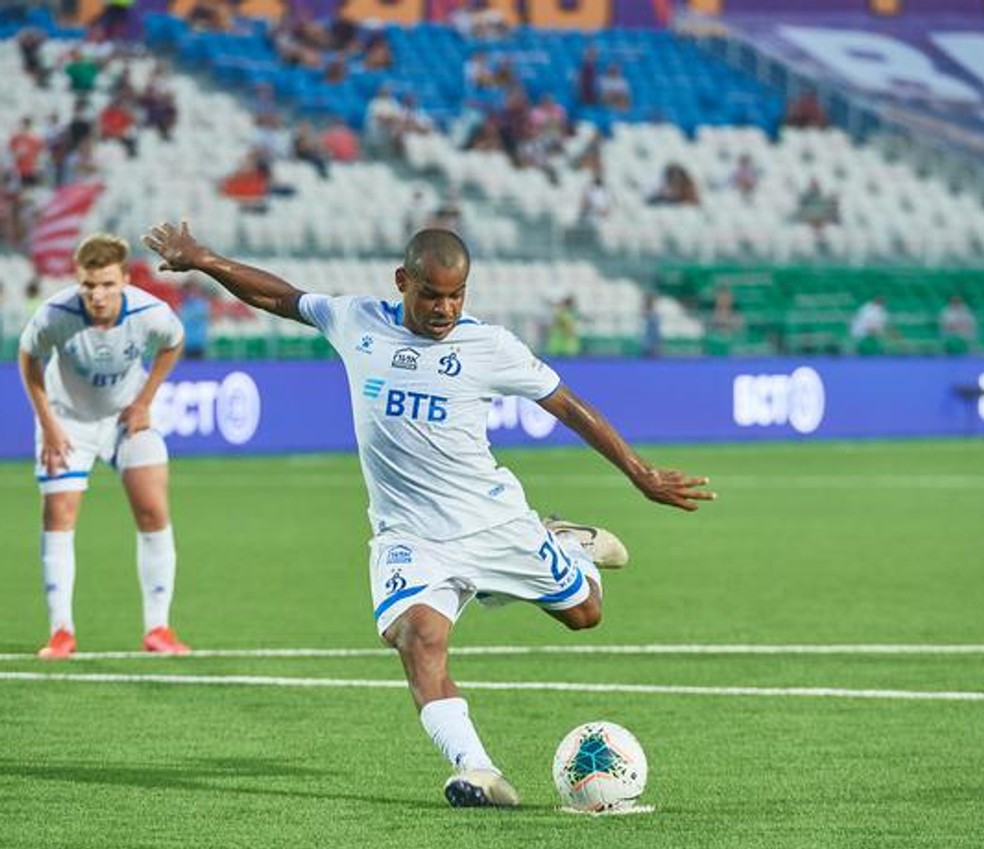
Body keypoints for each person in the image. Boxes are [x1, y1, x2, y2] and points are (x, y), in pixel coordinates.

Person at [142, 221, 715, 809]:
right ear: (402, 282)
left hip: (493, 523)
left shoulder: (490, 347)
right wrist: (205, 259)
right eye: (431, 294)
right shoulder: (358, 322)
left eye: (455, 296)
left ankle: (562, 539)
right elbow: (279, 296)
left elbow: (568, 407)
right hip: (410, 536)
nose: (444, 308)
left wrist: (639, 473)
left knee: (585, 614)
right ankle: (477, 770)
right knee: (417, 639)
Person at [18, 233, 191, 660]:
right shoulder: (55, 315)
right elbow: (28, 358)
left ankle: (158, 629)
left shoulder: (150, 313)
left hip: (124, 419)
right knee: (60, 514)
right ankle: (61, 632)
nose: (97, 295)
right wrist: (49, 424)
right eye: (88, 285)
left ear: (124, 280)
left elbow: (174, 343)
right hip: (67, 422)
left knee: (153, 509)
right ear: (78, 281)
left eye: (107, 285)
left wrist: (145, 401)